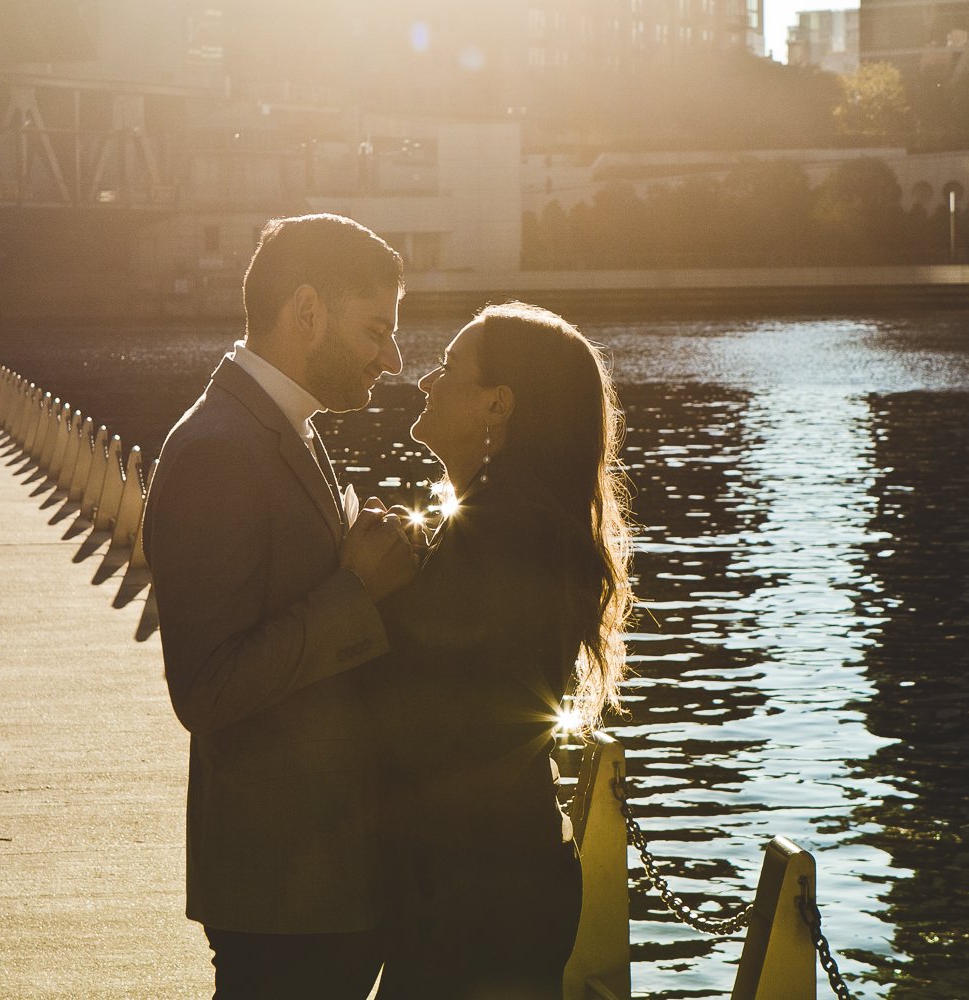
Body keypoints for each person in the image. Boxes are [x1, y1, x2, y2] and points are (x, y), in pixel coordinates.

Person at [141, 213, 417, 1000]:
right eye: (376, 331)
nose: (391, 359)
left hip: (316, 885)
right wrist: (356, 591)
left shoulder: (283, 428)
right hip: (281, 897)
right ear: (307, 311)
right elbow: (206, 689)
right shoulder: (218, 450)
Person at [364, 302, 635, 1000]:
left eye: (449, 367)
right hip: (485, 879)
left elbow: (440, 714)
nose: (427, 381)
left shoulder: (507, 533)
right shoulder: (507, 519)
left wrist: (368, 593)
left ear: (497, 404)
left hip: (479, 899)